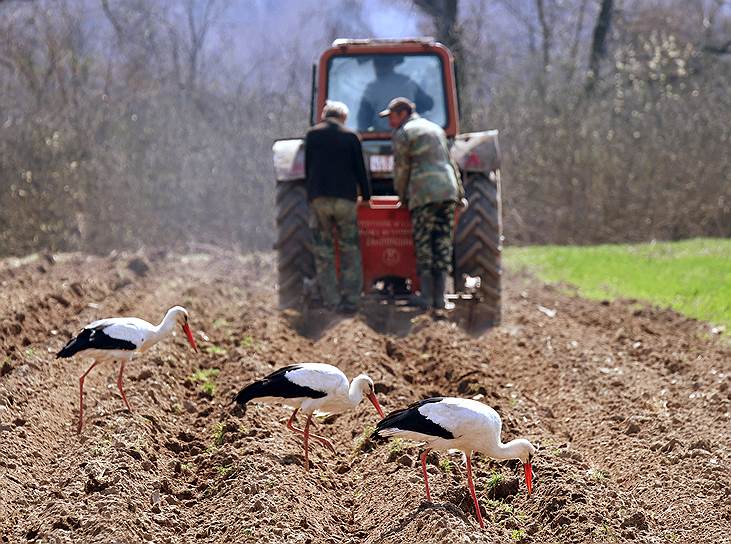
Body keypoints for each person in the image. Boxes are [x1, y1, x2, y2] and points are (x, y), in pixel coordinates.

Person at [379, 97, 464, 312]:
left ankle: (426, 298)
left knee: (424, 243)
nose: (389, 122)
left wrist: (402, 197)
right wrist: (460, 193)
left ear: (402, 114)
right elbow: (450, 163)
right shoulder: (435, 129)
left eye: (391, 117)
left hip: (424, 193)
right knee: (443, 243)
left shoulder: (404, 133)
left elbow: (402, 169)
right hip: (447, 191)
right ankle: (440, 299)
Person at [305, 100, 371, 314]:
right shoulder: (351, 136)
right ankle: (351, 301)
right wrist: (367, 196)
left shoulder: (312, 135)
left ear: (325, 115)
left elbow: (307, 168)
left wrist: (311, 196)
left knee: (324, 252)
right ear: (343, 117)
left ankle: (331, 301)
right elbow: (360, 170)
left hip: (320, 199)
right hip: (345, 200)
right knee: (349, 249)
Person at [357, 56, 434, 132]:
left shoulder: (371, 88)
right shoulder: (408, 82)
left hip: (381, 139)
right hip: (408, 133)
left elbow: (363, 121)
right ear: (393, 64)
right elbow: (428, 104)